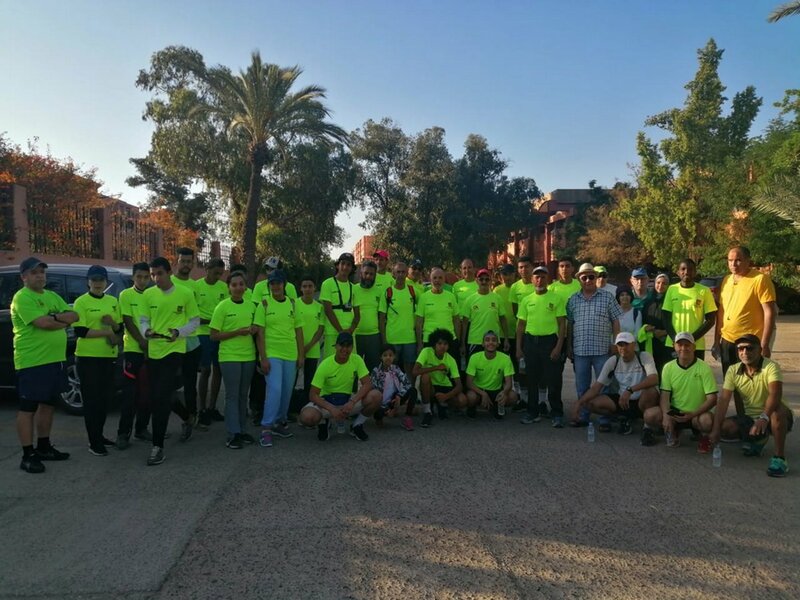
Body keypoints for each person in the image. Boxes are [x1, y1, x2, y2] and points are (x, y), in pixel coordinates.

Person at [11, 257, 77, 473]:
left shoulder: (52, 295)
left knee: (48, 406)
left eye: (42, 272)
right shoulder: (22, 298)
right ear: (24, 277)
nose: (40, 276)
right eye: (34, 272)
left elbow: (74, 315)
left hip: (54, 361)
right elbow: (44, 324)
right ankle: (27, 454)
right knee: (28, 408)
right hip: (33, 362)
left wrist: (56, 315)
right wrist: (59, 319)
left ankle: (44, 446)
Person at [141, 256, 200, 466]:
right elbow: (143, 319)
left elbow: (195, 321)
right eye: (153, 274)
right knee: (163, 395)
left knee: (159, 398)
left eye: (160, 273)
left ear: (169, 272)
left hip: (174, 350)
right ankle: (187, 418)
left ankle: (157, 447)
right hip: (154, 351)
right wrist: (146, 331)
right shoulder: (148, 294)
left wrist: (178, 332)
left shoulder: (185, 293)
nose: (156, 278)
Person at [709, 334, 792, 477]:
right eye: (740, 349)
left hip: (773, 415)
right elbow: (723, 400)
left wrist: (763, 417)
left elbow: (775, 394)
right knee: (724, 428)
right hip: (750, 418)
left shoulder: (771, 366)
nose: (745, 352)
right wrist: (716, 429)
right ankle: (758, 440)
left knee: (777, 412)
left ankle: (779, 459)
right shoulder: (733, 370)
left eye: (749, 348)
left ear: (760, 350)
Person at [73, 265, 124, 456]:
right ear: (88, 282)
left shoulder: (112, 301)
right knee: (92, 401)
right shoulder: (81, 302)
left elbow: (119, 329)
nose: (97, 283)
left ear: (105, 282)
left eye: (101, 280)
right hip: (88, 358)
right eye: (94, 280)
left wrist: (113, 324)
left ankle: (100, 435)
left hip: (108, 357)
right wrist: (106, 332)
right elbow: (81, 331)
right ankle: (93, 441)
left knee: (104, 400)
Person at [566, 263, 622, 427]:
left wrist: (615, 343)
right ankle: (583, 416)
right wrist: (569, 346)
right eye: (585, 277)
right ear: (579, 279)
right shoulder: (573, 300)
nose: (588, 280)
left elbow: (616, 321)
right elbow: (570, 324)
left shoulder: (607, 297)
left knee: (604, 385)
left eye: (591, 277)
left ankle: (605, 419)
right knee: (582, 386)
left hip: (602, 350)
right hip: (580, 350)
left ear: (596, 278)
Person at [572, 332, 659, 436]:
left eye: (626, 344)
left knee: (651, 391)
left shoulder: (644, 356)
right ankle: (623, 418)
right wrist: (579, 403)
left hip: (641, 399)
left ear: (634, 345)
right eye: (620, 344)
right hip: (623, 401)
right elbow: (596, 387)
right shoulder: (613, 360)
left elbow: (654, 379)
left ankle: (647, 426)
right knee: (589, 403)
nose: (623, 348)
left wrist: (630, 390)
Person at [299, 332, 381, 442]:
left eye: (348, 346)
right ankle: (324, 422)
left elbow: (367, 384)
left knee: (376, 396)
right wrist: (331, 409)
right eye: (342, 345)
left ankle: (357, 425)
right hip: (327, 402)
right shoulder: (325, 364)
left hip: (347, 401)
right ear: (336, 346)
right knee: (307, 417)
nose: (345, 349)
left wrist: (352, 401)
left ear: (352, 347)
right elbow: (313, 395)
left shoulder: (357, 359)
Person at [254, 270, 303, 448]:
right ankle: (266, 427)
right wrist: (263, 358)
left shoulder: (292, 303)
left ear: (284, 285)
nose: (275, 286)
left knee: (286, 391)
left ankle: (279, 422)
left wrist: (301, 355)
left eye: (278, 283)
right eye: (272, 283)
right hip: (272, 353)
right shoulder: (264, 304)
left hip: (290, 353)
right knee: (274, 389)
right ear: (269, 285)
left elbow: (298, 330)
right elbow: (260, 333)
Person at [641, 332, 717, 450]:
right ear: (674, 346)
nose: (683, 348)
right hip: (676, 412)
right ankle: (673, 429)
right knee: (649, 415)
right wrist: (666, 415)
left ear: (694, 347)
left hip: (696, 413)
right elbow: (665, 396)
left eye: (687, 345)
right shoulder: (668, 367)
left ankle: (702, 435)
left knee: (706, 421)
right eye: (680, 345)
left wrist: (693, 414)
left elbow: (712, 399)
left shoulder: (704, 367)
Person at [209, 270, 257, 449]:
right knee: (232, 395)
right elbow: (213, 335)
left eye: (241, 284)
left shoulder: (252, 306)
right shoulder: (222, 307)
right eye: (234, 285)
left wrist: (254, 330)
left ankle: (243, 431)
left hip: (249, 356)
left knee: (243, 395)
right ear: (229, 288)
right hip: (229, 357)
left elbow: (258, 329)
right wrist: (237, 332)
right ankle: (233, 433)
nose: (238, 288)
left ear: (245, 286)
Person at [516, 265, 567, 427]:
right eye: (536, 277)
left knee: (553, 379)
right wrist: (518, 347)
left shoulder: (556, 298)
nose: (539, 280)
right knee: (532, 379)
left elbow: (562, 324)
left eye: (543, 277)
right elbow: (521, 326)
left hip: (549, 342)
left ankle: (557, 413)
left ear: (548, 279)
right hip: (531, 342)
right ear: (532, 280)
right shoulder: (526, 300)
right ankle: (533, 412)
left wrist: (558, 347)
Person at [713, 246, 777, 374]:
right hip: (727, 341)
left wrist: (764, 344)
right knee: (731, 383)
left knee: (751, 385)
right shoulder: (726, 280)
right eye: (730, 260)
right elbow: (720, 313)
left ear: (748, 261)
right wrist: (716, 341)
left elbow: (770, 312)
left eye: (738, 260)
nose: (733, 264)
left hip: (750, 343)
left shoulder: (760, 280)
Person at [118, 262, 153, 446]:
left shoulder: (153, 295)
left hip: (151, 351)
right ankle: (123, 434)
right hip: (133, 350)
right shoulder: (126, 295)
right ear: (133, 277)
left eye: (146, 277)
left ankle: (141, 429)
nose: (142, 280)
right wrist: (141, 342)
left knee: (146, 394)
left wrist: (151, 345)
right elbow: (127, 320)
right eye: (139, 277)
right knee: (129, 396)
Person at [171, 247, 203, 428]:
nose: (186, 264)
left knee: (191, 384)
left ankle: (192, 417)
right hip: (172, 341)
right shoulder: (169, 283)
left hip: (192, 341)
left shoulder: (195, 286)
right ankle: (183, 416)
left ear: (193, 263)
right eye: (183, 261)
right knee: (168, 385)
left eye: (189, 261)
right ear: (177, 261)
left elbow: (194, 314)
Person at [195, 257, 228, 426]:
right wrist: (210, 321)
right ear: (207, 268)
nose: (218, 277)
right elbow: (194, 315)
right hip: (202, 334)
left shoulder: (224, 288)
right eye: (216, 273)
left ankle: (212, 407)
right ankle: (201, 409)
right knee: (205, 370)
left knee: (218, 370)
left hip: (219, 334)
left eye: (220, 274)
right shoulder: (196, 286)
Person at [662, 258, 716, 361]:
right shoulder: (672, 289)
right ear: (678, 272)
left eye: (690, 269)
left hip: (696, 344)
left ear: (695, 272)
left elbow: (711, 320)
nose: (686, 272)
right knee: (674, 375)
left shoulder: (704, 291)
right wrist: (675, 339)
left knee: (695, 375)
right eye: (683, 269)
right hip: (674, 344)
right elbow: (666, 317)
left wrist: (691, 339)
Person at [413, 329, 467, 426]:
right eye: (439, 343)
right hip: (431, 387)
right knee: (425, 377)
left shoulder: (451, 359)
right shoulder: (426, 351)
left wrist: (447, 396)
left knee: (462, 400)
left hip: (445, 387)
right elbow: (415, 371)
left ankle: (443, 405)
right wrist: (436, 368)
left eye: (445, 344)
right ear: (434, 344)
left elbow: (459, 386)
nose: (442, 346)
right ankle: (427, 411)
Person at [465, 331, 517, 419]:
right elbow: (469, 383)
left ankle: (496, 406)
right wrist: (483, 394)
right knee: (471, 397)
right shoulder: (474, 357)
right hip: (479, 391)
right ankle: (472, 407)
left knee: (513, 396)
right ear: (483, 344)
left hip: (496, 390)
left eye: (494, 340)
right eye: (487, 340)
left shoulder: (505, 358)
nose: (490, 342)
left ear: (497, 344)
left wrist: (504, 392)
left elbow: (509, 383)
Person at [378, 262, 418, 375]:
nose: (400, 275)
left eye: (403, 272)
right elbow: (381, 319)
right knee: (391, 371)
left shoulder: (413, 291)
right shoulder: (387, 292)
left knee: (410, 371)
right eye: (398, 272)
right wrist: (384, 340)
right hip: (392, 339)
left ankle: (410, 391)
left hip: (410, 339)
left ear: (406, 273)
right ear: (393, 274)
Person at [460, 268, 509, 358]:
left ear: (490, 281)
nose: (484, 282)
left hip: (493, 341)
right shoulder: (470, 300)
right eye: (481, 279)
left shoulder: (497, 298)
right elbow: (465, 323)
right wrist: (462, 343)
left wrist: (506, 339)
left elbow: (503, 320)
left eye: (487, 279)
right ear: (476, 281)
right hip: (475, 341)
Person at [319, 252, 360, 359]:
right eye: (343, 263)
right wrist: (341, 331)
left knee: (350, 364)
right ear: (338, 265)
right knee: (331, 363)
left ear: (352, 268)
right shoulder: (327, 284)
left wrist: (350, 330)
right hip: (333, 333)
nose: (345, 267)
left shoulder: (354, 288)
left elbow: (357, 315)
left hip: (350, 333)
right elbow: (328, 311)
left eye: (348, 265)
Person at [293, 276, 324, 415]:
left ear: (314, 288)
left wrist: (308, 347)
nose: (307, 289)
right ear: (300, 289)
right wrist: (300, 349)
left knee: (309, 382)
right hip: (294, 350)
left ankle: (307, 409)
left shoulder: (319, 307)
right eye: (304, 286)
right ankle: (290, 409)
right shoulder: (294, 304)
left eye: (310, 286)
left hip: (312, 350)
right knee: (291, 381)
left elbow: (320, 329)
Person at [415, 266, 459, 359]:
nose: (437, 281)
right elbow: (419, 322)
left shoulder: (451, 296)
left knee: (451, 371)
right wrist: (419, 343)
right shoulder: (424, 297)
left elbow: (456, 320)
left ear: (444, 280)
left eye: (440, 278)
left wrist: (458, 340)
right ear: (430, 280)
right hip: (429, 340)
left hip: (449, 340)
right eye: (434, 278)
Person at [370, 345, 417, 431]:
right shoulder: (376, 371)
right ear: (381, 357)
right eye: (385, 355)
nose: (388, 357)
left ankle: (407, 416)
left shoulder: (396, 368)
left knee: (413, 390)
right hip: (382, 403)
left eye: (390, 355)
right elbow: (374, 390)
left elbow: (407, 383)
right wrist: (386, 408)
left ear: (394, 357)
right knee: (378, 414)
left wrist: (399, 396)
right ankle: (382, 417)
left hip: (394, 398)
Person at [639, 273, 672, 374]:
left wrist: (665, 332)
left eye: (664, 283)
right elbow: (643, 322)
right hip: (651, 342)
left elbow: (675, 322)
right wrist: (649, 329)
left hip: (667, 342)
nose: (660, 286)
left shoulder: (671, 302)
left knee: (666, 371)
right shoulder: (648, 302)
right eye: (658, 283)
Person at [353, 261, 383, 371]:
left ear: (375, 275)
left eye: (371, 274)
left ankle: (373, 389)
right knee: (354, 370)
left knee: (374, 370)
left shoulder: (379, 292)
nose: (368, 276)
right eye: (366, 273)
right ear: (361, 273)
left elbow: (381, 316)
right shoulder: (353, 289)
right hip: (356, 336)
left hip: (374, 337)